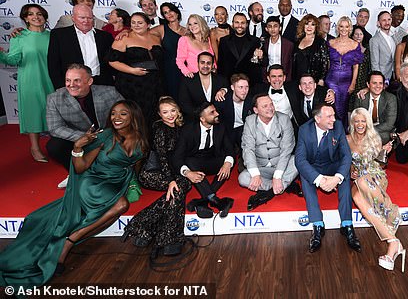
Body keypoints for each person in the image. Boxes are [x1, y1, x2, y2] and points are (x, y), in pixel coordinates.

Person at [0, 100, 147, 288]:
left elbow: (135, 166)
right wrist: (77, 147)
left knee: (117, 206)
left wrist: (131, 184)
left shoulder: (141, 140)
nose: (116, 118)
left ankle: (70, 239)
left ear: (133, 116)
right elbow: (80, 168)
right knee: (121, 205)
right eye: (113, 114)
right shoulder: (104, 137)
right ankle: (69, 242)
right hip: (92, 182)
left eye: (123, 114)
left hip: (116, 183)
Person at [123, 97, 191, 255]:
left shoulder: (182, 126)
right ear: (159, 114)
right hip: (153, 173)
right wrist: (170, 181)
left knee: (183, 186)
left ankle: (143, 224)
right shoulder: (160, 129)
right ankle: (168, 238)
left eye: (173, 111)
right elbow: (162, 158)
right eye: (165, 112)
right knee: (179, 188)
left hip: (172, 171)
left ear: (178, 111)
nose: (170, 115)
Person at [295, 103, 361, 253]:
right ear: (317, 119)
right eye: (329, 117)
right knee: (305, 176)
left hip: (331, 164)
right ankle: (318, 225)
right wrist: (319, 180)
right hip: (314, 166)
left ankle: (347, 224)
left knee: (343, 175)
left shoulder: (338, 126)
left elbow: (346, 156)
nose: (334, 119)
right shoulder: (304, 130)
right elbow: (300, 159)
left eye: (334, 115)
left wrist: (336, 178)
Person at [347, 108, 404, 271]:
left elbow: (380, 164)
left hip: (375, 176)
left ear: (367, 123)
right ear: (352, 123)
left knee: (364, 182)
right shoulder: (347, 139)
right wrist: (351, 169)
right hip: (357, 179)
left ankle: (389, 211)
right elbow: (345, 161)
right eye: (356, 121)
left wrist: (384, 152)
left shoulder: (375, 138)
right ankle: (393, 241)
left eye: (363, 121)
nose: (360, 124)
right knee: (356, 196)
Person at [0, 4, 54, 162]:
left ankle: (57, 146)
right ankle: (35, 148)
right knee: (34, 112)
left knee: (53, 112)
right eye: (30, 14)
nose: (35, 17)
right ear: (25, 18)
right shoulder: (19, 36)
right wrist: (1, 55)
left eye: (39, 14)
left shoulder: (53, 36)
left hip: (51, 78)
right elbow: (14, 59)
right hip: (30, 79)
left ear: (45, 16)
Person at [46, 64, 123, 172]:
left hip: (108, 135)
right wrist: (83, 137)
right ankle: (76, 174)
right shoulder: (54, 98)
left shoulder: (110, 92)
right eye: (68, 80)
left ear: (90, 81)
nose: (71, 85)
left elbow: (127, 116)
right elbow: (55, 128)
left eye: (77, 80)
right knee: (54, 146)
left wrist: (111, 134)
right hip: (77, 137)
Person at [170, 102, 235, 218]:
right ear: (203, 119)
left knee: (227, 162)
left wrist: (227, 164)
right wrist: (187, 173)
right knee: (189, 162)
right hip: (195, 162)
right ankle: (217, 201)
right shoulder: (188, 130)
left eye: (215, 110)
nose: (217, 114)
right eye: (212, 113)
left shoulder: (221, 126)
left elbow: (230, 149)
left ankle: (203, 201)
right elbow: (177, 157)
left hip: (213, 160)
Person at [238, 94, 301, 210]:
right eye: (265, 106)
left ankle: (268, 193)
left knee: (298, 160)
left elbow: (287, 149)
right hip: (261, 167)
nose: (270, 108)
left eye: (271, 104)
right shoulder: (250, 121)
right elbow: (248, 148)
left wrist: (277, 175)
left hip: (282, 165)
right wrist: (255, 174)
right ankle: (283, 185)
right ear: (256, 110)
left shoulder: (284, 119)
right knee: (243, 178)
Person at [108, 12, 164, 127]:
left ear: (148, 24)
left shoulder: (156, 37)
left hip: (153, 84)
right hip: (132, 84)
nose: (136, 25)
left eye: (140, 23)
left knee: (152, 114)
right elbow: (112, 61)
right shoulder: (124, 38)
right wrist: (132, 70)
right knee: (135, 116)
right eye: (133, 23)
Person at [48, 3, 114, 89]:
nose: (86, 21)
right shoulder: (59, 35)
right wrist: (61, 88)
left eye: (89, 18)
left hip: (102, 84)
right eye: (82, 17)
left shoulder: (105, 36)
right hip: (72, 86)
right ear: (73, 18)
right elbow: (53, 65)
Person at [325, 16, 364, 125]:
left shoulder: (355, 44)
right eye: (341, 26)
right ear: (337, 28)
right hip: (331, 81)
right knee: (332, 108)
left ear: (350, 28)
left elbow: (356, 67)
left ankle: (342, 135)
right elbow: (327, 63)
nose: (343, 29)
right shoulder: (331, 42)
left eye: (346, 27)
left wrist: (353, 83)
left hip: (346, 83)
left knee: (342, 110)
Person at [179, 52, 229, 122]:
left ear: (212, 65)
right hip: (195, 122)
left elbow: (229, 90)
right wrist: (201, 115)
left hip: (217, 122)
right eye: (202, 62)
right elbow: (184, 104)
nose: (205, 66)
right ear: (198, 63)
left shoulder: (221, 80)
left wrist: (224, 90)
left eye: (208, 63)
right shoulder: (187, 81)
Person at [152, 2, 187, 99]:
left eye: (171, 11)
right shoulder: (161, 29)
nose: (169, 14)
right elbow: (141, 32)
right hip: (168, 70)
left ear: (176, 12)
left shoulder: (187, 31)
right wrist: (126, 31)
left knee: (184, 96)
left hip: (185, 69)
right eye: (165, 13)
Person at [351, 71, 397, 144]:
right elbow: (355, 118)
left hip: (380, 130)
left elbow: (389, 124)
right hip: (362, 127)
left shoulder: (390, 98)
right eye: (374, 83)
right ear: (368, 85)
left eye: (380, 83)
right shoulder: (361, 97)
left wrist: (369, 131)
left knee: (384, 136)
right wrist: (362, 130)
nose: (378, 86)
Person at [214, 73, 254, 156]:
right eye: (241, 87)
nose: (244, 91)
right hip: (227, 130)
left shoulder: (250, 100)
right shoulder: (222, 101)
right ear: (232, 88)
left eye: (246, 87)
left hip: (244, 130)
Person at [217, 12, 262, 84]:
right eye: (237, 22)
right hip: (230, 83)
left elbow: (262, 64)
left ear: (247, 24)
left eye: (242, 23)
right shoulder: (224, 41)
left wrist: (261, 57)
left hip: (250, 84)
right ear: (232, 24)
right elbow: (220, 66)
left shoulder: (255, 41)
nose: (240, 25)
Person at [292, 14, 329, 86]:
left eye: (312, 24)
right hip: (297, 79)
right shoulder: (297, 41)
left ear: (316, 27)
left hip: (313, 81)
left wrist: (321, 79)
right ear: (303, 26)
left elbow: (325, 63)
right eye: (306, 24)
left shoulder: (320, 42)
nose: (309, 27)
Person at [369, 11, 396, 84]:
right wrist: (379, 81)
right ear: (378, 23)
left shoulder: (393, 37)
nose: (387, 22)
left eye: (389, 19)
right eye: (384, 20)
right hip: (382, 78)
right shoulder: (374, 40)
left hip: (393, 77)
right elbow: (375, 64)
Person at [348, 26, 371, 109]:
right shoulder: (348, 50)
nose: (358, 36)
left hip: (363, 83)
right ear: (352, 35)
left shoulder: (368, 50)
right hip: (350, 83)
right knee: (349, 108)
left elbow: (370, 68)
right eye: (356, 34)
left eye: (360, 34)